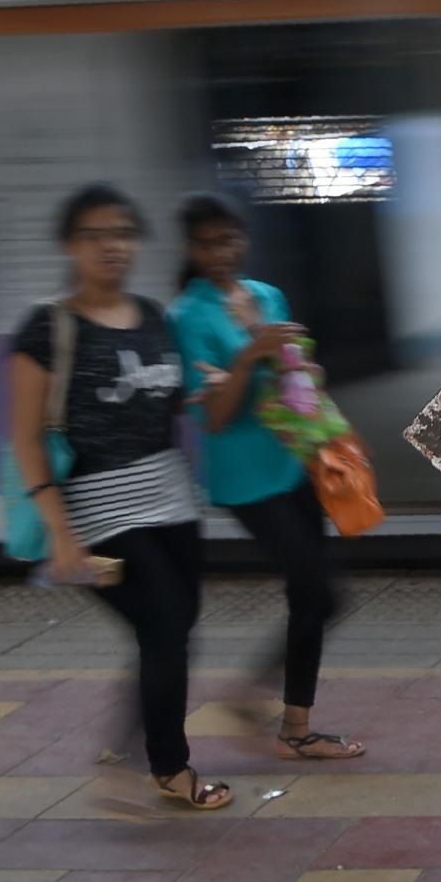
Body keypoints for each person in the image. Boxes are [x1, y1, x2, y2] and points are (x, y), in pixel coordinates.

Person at [9, 184, 228, 809]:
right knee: (163, 628)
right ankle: (170, 768)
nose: (113, 245)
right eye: (96, 233)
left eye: (125, 233)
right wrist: (59, 531)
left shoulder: (153, 315)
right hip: (101, 515)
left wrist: (203, 385)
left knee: (176, 629)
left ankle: (131, 744)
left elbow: (162, 395)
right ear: (70, 245)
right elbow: (26, 436)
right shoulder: (48, 327)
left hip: (173, 502)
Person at [168, 192, 364, 763]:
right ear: (190, 248)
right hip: (244, 481)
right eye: (206, 243)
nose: (220, 252)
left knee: (315, 598)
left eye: (228, 239)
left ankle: (283, 718)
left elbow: (294, 379)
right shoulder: (187, 317)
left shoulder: (266, 294)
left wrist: (304, 371)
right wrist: (251, 355)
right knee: (319, 593)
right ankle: (281, 720)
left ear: (243, 238)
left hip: (292, 463)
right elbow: (214, 416)